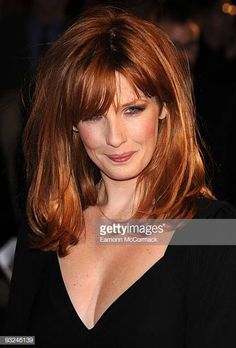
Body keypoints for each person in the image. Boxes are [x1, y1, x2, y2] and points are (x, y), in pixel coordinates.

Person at [3, 5, 236, 347]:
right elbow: (14, 339)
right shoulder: (50, 224)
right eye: (94, 115)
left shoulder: (209, 232)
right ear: (72, 122)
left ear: (164, 109)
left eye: (132, 109)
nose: (115, 138)